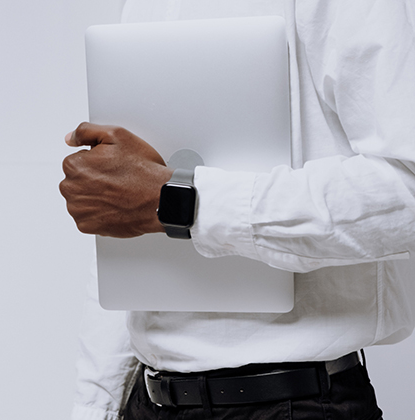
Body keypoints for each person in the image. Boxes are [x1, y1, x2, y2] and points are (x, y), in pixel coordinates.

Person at [60, 1, 415, 419]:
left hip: (294, 403)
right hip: (149, 399)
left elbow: (406, 189)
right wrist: (94, 406)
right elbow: (126, 225)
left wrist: (183, 203)